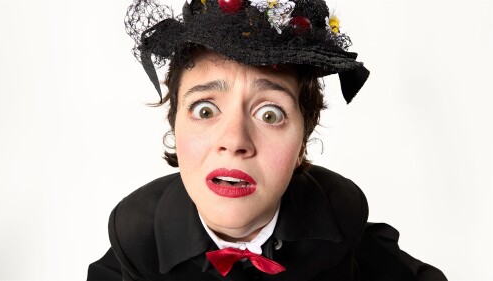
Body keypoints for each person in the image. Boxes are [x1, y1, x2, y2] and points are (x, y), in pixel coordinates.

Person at [88, 0, 447, 280]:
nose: (234, 141)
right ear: (174, 125)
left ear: (302, 142)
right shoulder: (136, 242)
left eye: (270, 115)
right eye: (205, 110)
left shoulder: (340, 221)